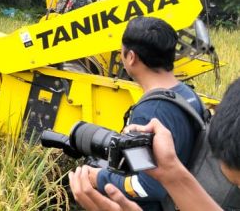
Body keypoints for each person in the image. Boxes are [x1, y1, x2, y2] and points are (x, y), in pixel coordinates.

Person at [77, 17, 206, 211]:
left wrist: (99, 178)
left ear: (131, 57)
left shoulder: (149, 114)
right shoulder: (188, 95)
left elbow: (148, 186)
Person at [70, 77, 240, 211]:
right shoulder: (186, 94)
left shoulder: (152, 109)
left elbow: (150, 189)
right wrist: (169, 170)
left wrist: (100, 179)